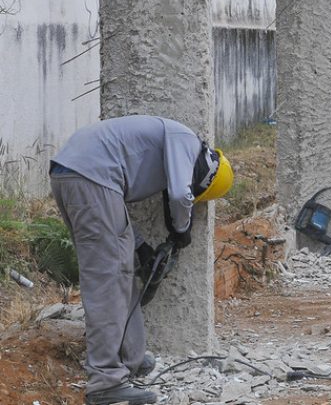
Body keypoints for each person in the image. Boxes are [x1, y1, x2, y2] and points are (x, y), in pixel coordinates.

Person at [49, 115, 234, 405]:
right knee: (108, 280)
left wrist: (140, 247)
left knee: (120, 271)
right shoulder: (185, 140)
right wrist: (181, 230)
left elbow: (112, 204)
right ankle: (105, 382)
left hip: (77, 174)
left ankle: (129, 357)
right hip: (89, 177)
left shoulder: (166, 142)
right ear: (205, 176)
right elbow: (178, 195)